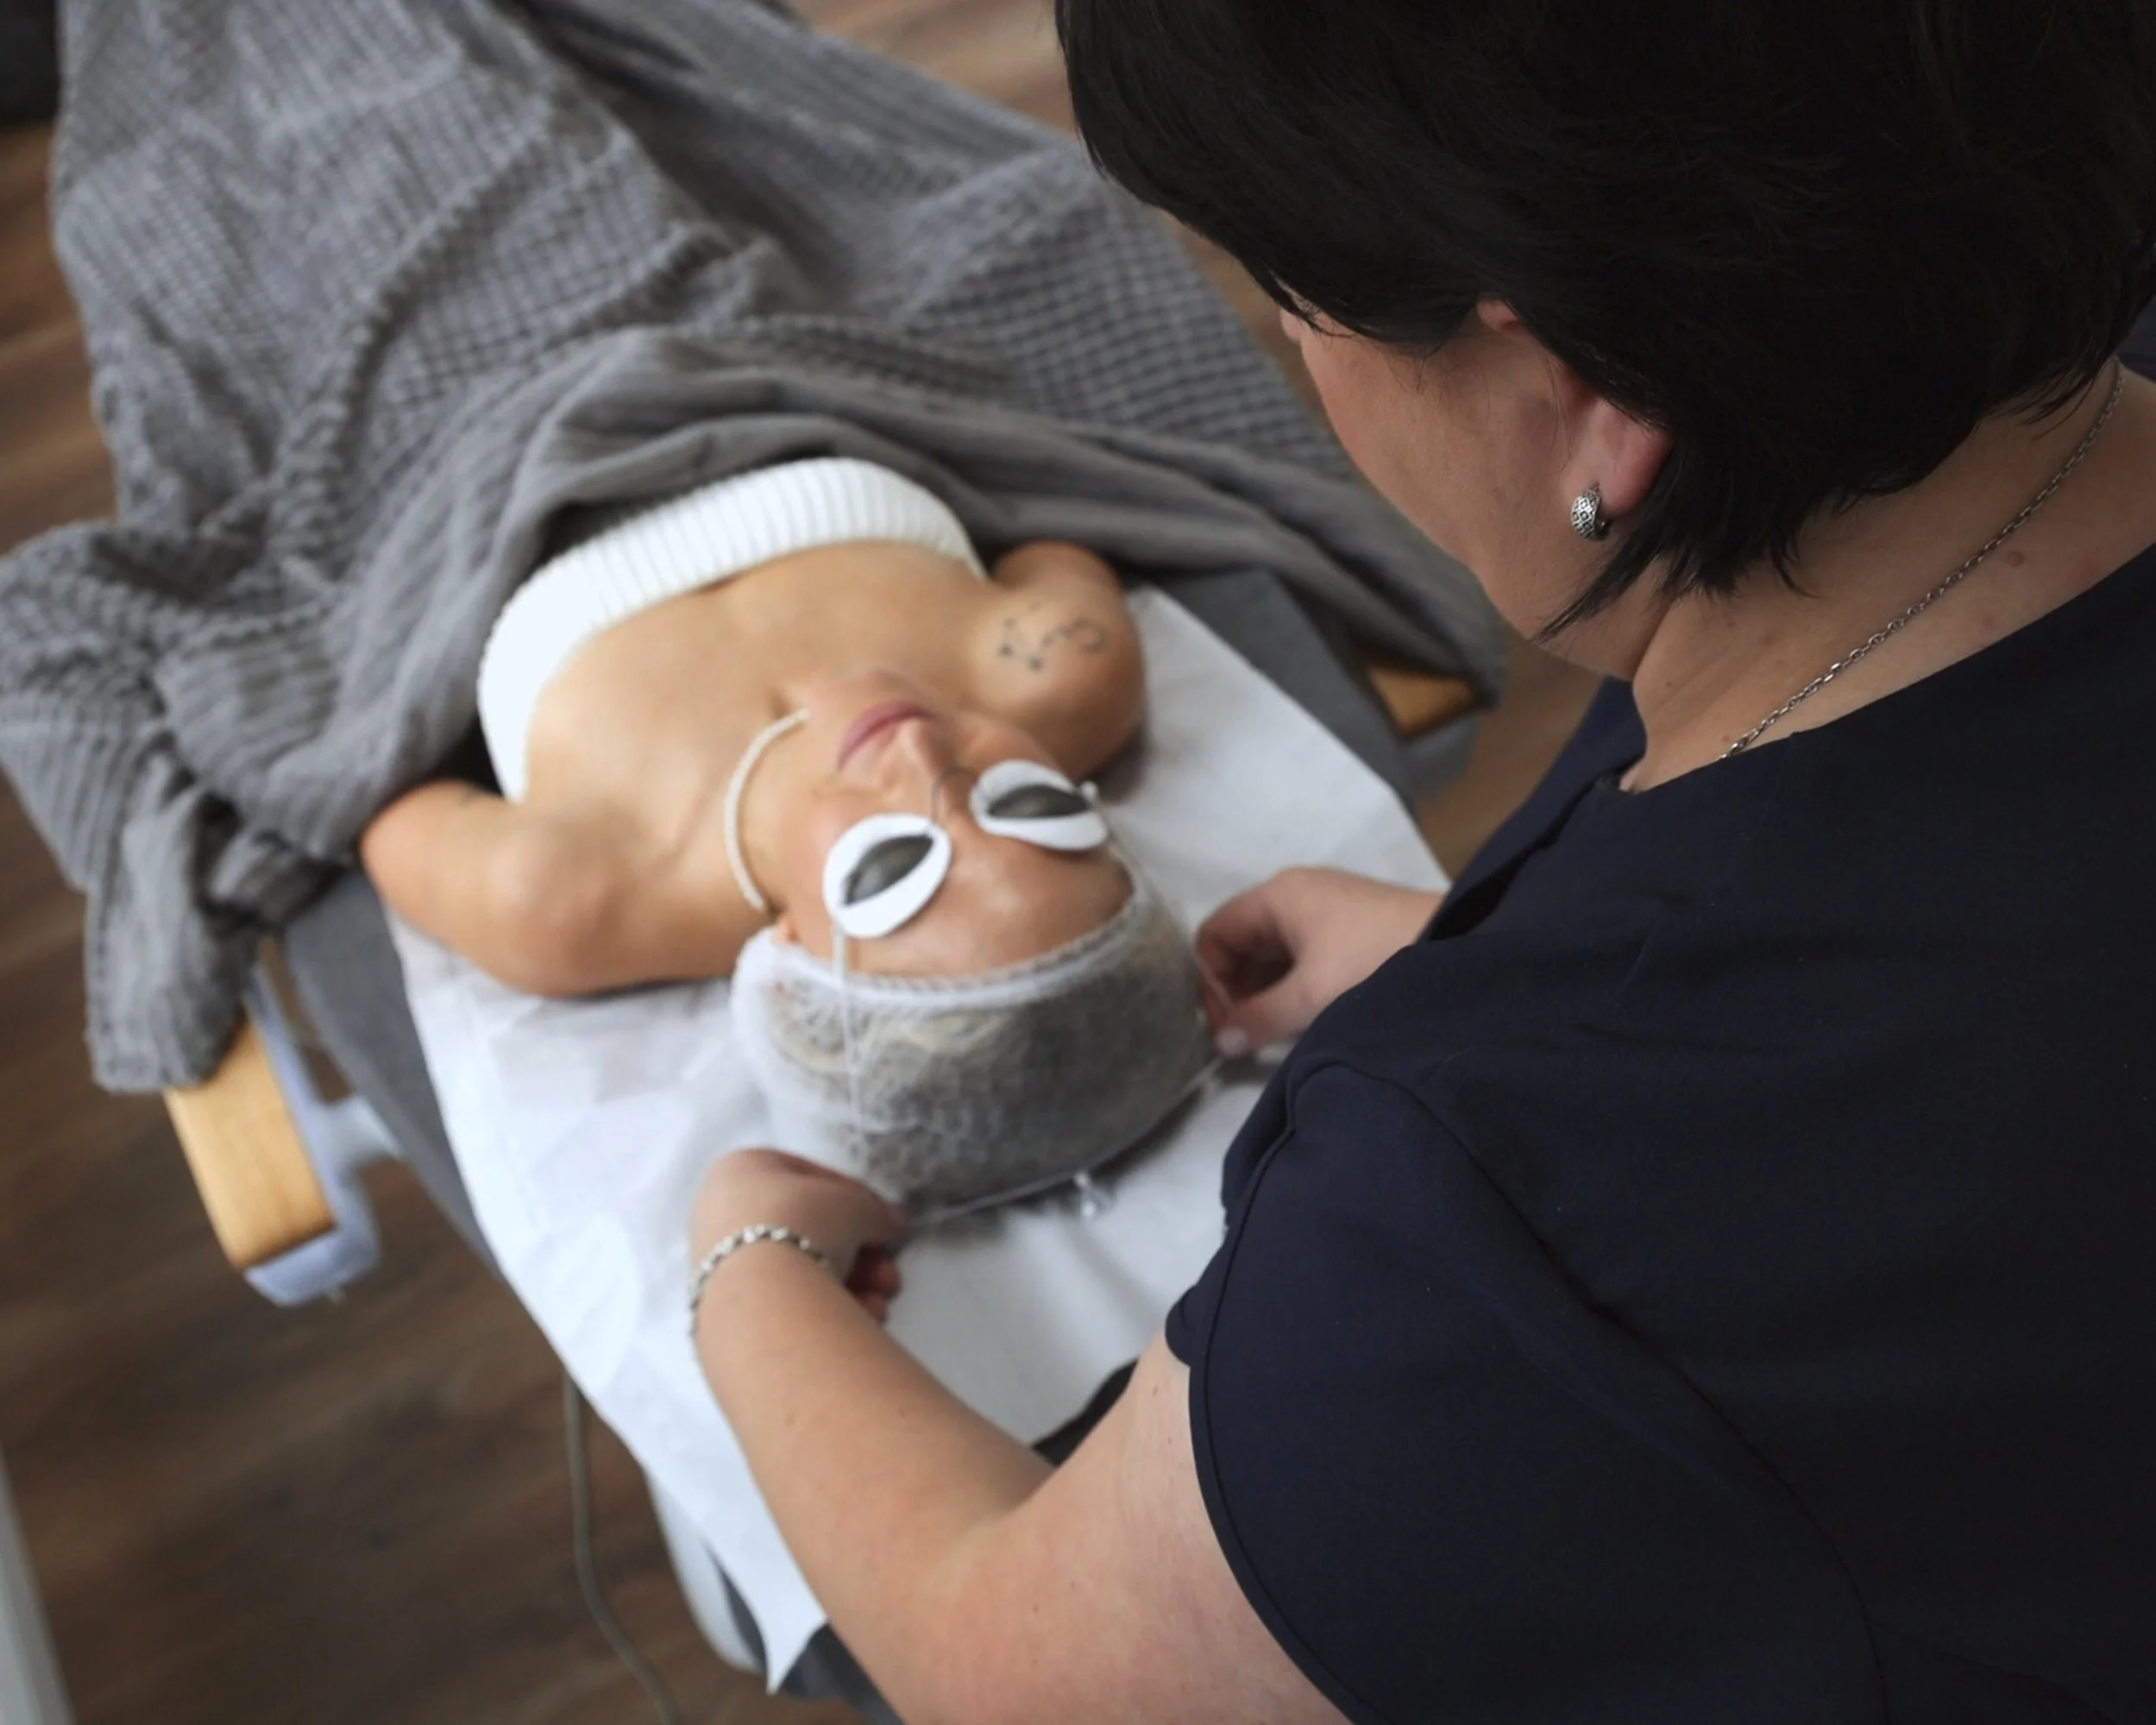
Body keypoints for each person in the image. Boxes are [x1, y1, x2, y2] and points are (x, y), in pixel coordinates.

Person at [683, 1, 2156, 1720]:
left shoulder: (1504, 1231)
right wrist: (1481, 950)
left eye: (1290, 307)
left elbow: (1022, 1670)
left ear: (1587, 398)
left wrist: (741, 1265)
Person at [364, 456, 1212, 1212]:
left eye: (887, 868)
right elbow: (1043, 521)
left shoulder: (564, 896)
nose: (919, 755)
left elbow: (385, 804)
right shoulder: (1066, 671)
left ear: (797, 965)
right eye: (1032, 806)